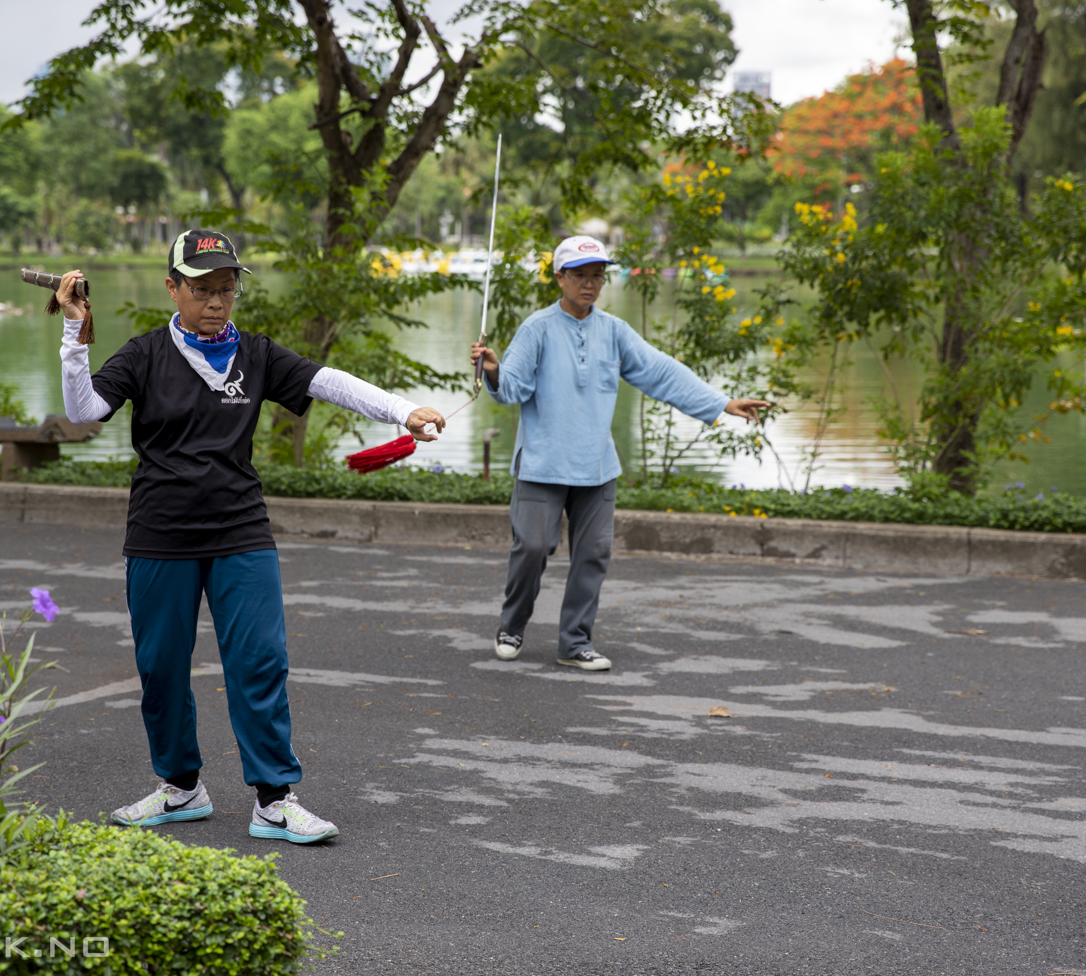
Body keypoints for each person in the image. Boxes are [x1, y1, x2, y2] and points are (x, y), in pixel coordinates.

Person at [57, 228, 447, 842]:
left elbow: (327, 381)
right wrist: (73, 332)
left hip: (241, 528)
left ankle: (274, 799)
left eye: (227, 289)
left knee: (260, 661)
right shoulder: (144, 354)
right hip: (161, 533)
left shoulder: (257, 354)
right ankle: (180, 789)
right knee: (161, 667)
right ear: (173, 288)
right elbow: (83, 411)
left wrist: (403, 411)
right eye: (203, 288)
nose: (217, 301)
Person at [469, 235, 769, 672]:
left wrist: (721, 403)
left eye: (597, 276)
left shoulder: (614, 331)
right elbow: (512, 388)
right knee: (532, 546)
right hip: (542, 462)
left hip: (596, 466)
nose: (589, 285)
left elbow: (661, 372)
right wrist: (494, 371)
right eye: (579, 276)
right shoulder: (537, 328)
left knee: (592, 556)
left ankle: (574, 642)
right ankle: (512, 624)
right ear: (560, 278)